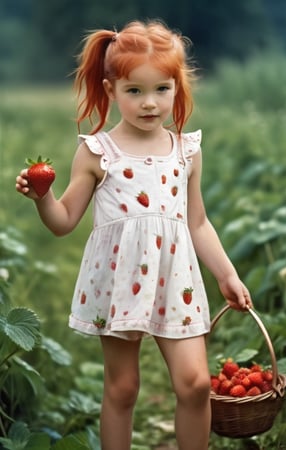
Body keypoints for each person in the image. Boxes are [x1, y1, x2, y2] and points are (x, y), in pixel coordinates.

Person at [16, 19, 252, 450]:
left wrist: (227, 274)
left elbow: (197, 223)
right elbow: (64, 219)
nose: (150, 103)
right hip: (118, 283)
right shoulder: (97, 152)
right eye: (135, 91)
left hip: (176, 281)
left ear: (177, 88)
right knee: (122, 388)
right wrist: (42, 198)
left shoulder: (186, 150)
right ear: (110, 91)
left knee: (196, 384)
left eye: (162, 89)